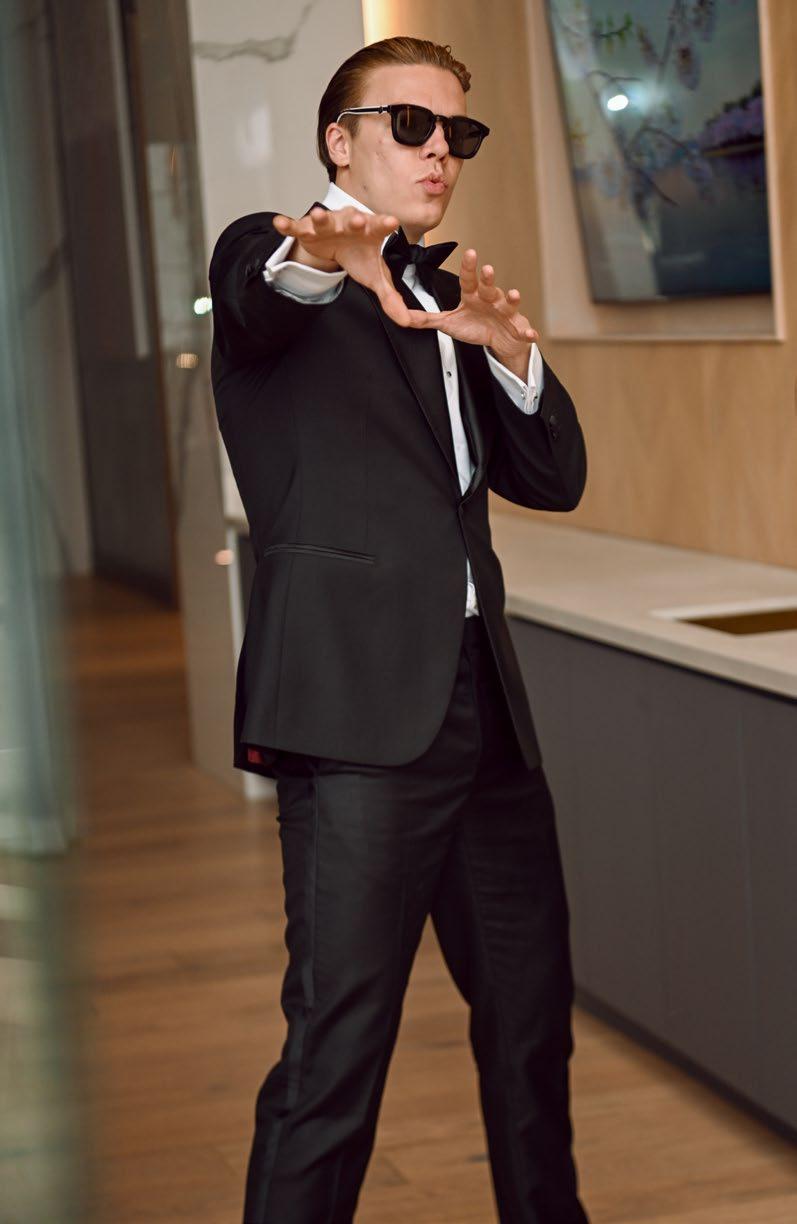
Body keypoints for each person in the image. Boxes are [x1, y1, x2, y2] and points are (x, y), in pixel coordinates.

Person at [208, 34, 590, 1224]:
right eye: (408, 125)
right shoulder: (269, 261)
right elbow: (270, 286)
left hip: (486, 717)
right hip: (357, 721)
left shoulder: (447, 298)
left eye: (456, 133)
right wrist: (318, 253)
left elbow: (552, 478)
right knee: (337, 1053)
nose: (439, 152)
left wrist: (510, 352)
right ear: (339, 140)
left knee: (529, 1028)